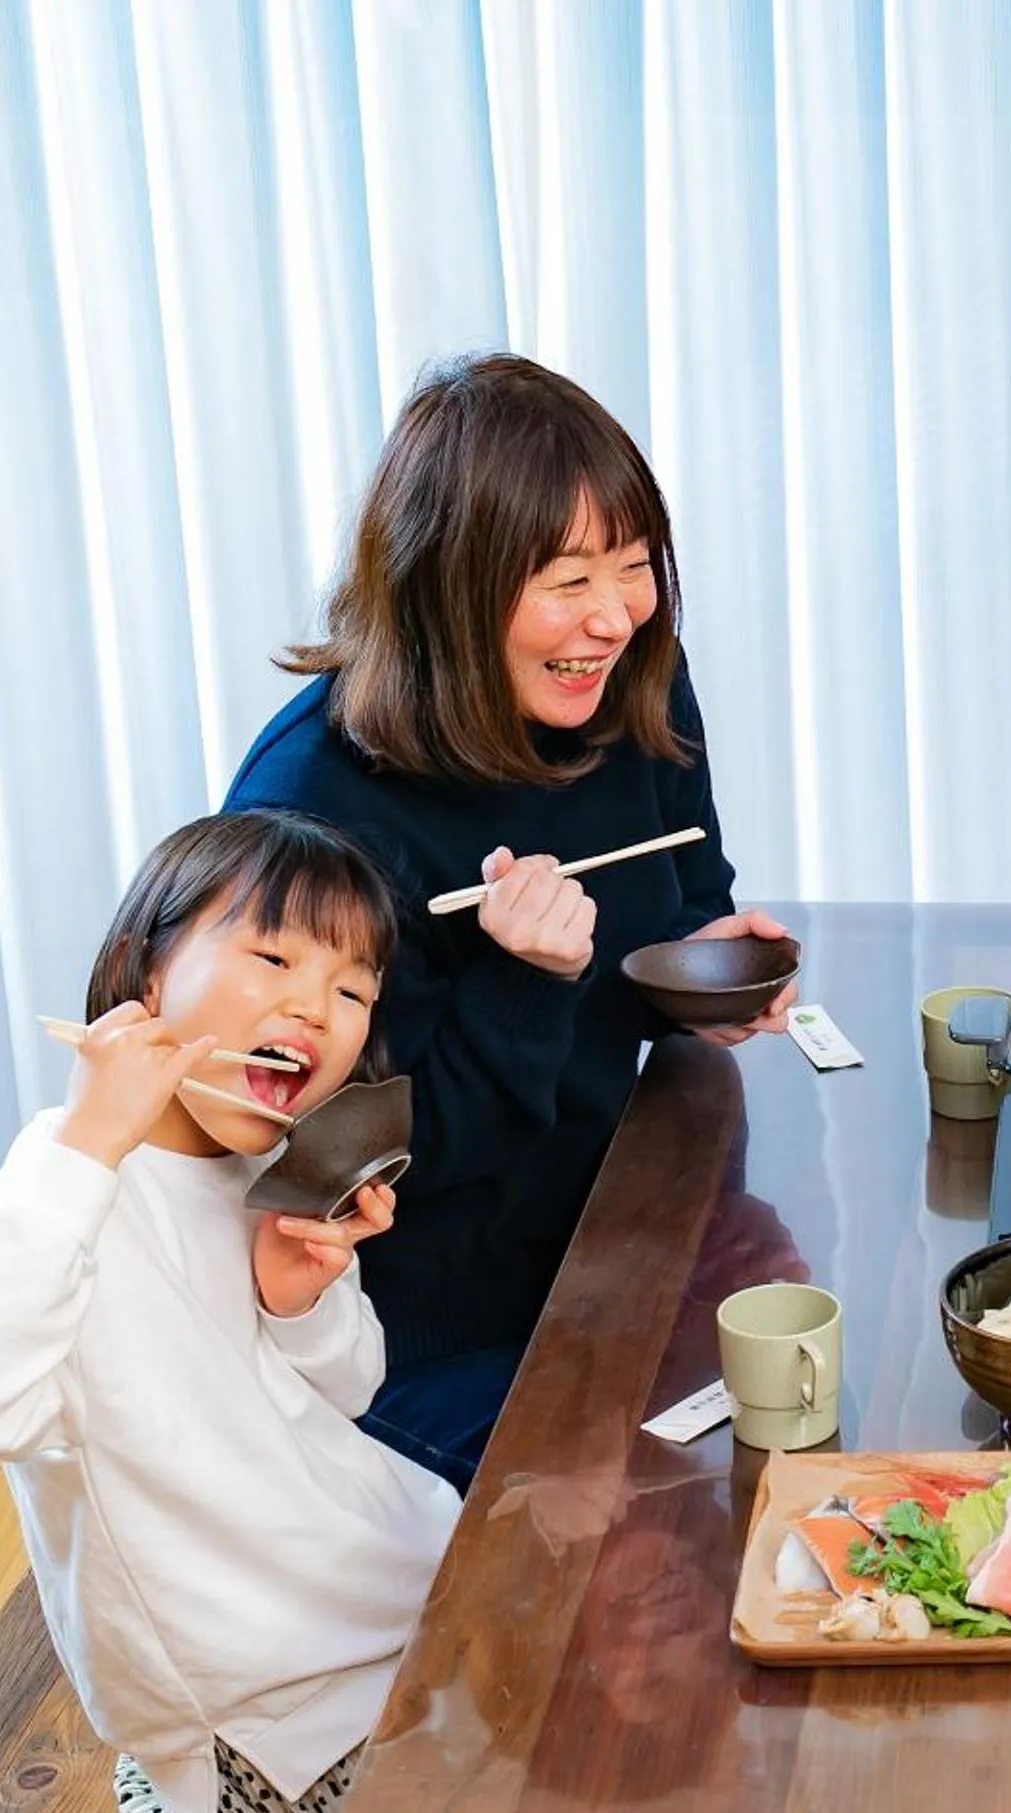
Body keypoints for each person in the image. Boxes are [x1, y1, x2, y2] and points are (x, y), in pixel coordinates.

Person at [227, 354, 793, 1491]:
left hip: (618, 1218)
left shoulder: (635, 676)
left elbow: (678, 897)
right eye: (566, 579)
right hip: (427, 1324)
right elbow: (340, 1165)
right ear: (445, 585)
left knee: (826, 1425)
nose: (612, 617)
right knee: (653, 1525)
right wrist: (522, 983)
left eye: (633, 568)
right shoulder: (313, 809)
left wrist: (710, 971)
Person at [0, 811, 462, 1813]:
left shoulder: (270, 1173)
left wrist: (297, 1302)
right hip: (265, 1710)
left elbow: (346, 1394)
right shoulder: (62, 1182)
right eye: (275, 957)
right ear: (146, 973)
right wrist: (91, 1142)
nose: (315, 1006)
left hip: (388, 1593)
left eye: (352, 992)